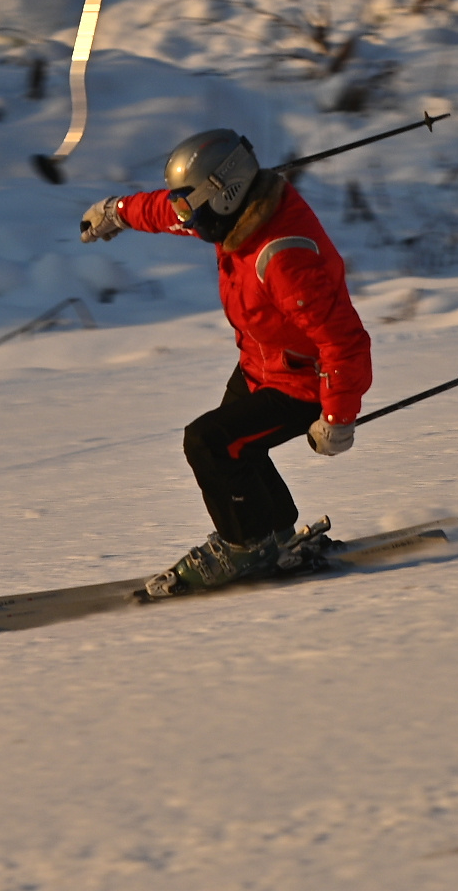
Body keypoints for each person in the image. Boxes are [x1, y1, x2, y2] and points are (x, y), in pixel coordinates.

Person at [79, 128, 372, 597]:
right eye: (183, 208)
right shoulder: (235, 218)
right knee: (235, 448)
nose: (186, 220)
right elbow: (169, 211)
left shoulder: (282, 256)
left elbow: (344, 341)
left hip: (302, 384)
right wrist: (118, 213)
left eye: (190, 208)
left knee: (209, 442)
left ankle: (243, 547)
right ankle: (271, 534)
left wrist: (338, 416)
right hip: (262, 366)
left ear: (226, 192)